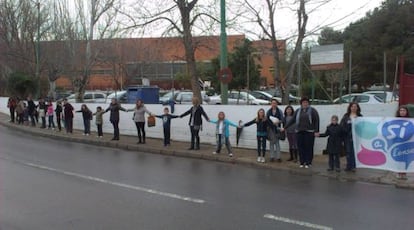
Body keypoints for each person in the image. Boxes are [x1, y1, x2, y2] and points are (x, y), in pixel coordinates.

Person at [284, 97, 320, 168]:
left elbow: (317, 121)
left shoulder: (313, 111)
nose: (305, 104)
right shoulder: (298, 111)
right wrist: (285, 127)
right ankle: (302, 161)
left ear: (308, 103)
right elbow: (292, 120)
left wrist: (316, 131)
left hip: (309, 132)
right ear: (301, 104)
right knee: (300, 147)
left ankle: (308, 162)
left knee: (309, 147)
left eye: (306, 102)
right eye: (303, 102)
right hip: (299, 131)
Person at [340, 102, 362, 172]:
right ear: (350, 107)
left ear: (357, 108)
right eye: (352, 107)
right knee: (348, 151)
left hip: (356, 137)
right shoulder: (346, 116)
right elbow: (342, 125)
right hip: (347, 136)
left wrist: (357, 120)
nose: (354, 108)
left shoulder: (360, 116)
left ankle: (353, 166)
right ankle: (348, 165)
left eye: (355, 107)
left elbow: (362, 126)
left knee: (354, 151)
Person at [395, 105, 410, 180]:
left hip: (407, 142)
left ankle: (404, 173)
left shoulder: (410, 121)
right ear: (399, 112)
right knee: (398, 157)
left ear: (407, 112)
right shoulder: (395, 120)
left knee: (405, 158)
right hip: (398, 142)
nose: (402, 112)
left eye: (404, 110)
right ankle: (398, 172)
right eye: (401, 110)